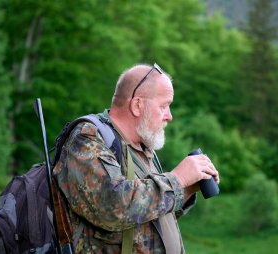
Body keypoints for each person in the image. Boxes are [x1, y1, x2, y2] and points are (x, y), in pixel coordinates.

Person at [53, 63, 219, 253]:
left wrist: (186, 189)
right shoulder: (87, 139)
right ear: (137, 105)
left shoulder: (141, 148)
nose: (169, 116)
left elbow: (147, 220)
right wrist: (177, 179)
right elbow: (113, 206)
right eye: (164, 106)